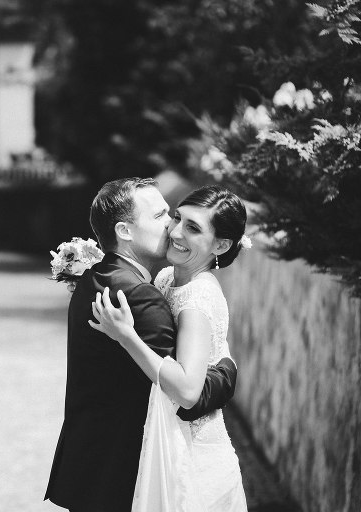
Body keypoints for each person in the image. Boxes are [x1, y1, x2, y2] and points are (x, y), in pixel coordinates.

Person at [44, 178, 238, 512]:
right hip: (119, 476)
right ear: (125, 231)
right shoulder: (139, 295)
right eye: (164, 216)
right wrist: (226, 370)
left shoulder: (97, 276)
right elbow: (185, 398)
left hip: (92, 468)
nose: (173, 229)